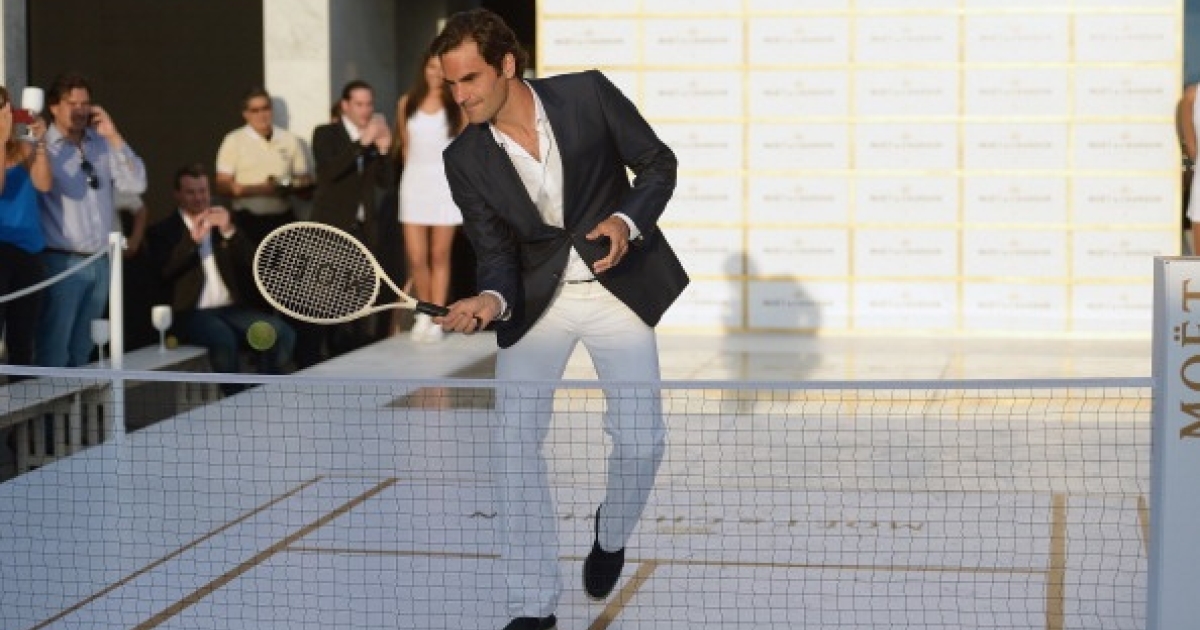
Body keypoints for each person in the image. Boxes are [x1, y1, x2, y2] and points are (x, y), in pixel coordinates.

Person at [430, 9, 689, 630]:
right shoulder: (462, 157)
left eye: (470, 79)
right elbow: (495, 253)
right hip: (535, 301)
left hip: (616, 290)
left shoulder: (586, 95)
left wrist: (626, 221)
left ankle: (611, 531)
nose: (461, 96)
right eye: (451, 84)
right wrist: (489, 301)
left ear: (506, 65)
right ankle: (533, 603)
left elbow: (658, 164)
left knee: (642, 440)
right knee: (512, 444)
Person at [145, 163, 295, 395]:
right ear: (177, 195)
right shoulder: (163, 231)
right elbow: (163, 272)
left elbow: (253, 262)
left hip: (231, 310)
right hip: (191, 313)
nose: (198, 198)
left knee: (279, 332)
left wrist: (229, 231)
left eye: (203, 191)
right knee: (223, 339)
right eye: (191, 192)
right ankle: (236, 401)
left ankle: (266, 392)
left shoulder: (223, 223)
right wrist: (191, 242)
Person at [36, 72, 147, 367]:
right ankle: (47, 401)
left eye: (85, 104)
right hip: (62, 262)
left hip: (100, 261)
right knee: (54, 349)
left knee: (84, 351)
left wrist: (113, 135)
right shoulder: (43, 146)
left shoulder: (101, 143)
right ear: (54, 107)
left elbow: (136, 184)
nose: (80, 110)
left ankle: (78, 401)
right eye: (72, 104)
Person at [308, 79, 395, 361]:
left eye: (369, 104)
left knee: (359, 299)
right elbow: (328, 173)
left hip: (362, 229)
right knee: (326, 300)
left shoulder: (372, 139)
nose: (365, 110)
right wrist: (361, 143)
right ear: (345, 105)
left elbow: (386, 182)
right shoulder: (326, 133)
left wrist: (384, 150)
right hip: (331, 229)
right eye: (359, 104)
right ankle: (318, 358)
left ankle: (353, 357)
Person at [394, 52, 466, 342]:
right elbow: (405, 148)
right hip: (414, 187)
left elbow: (466, 148)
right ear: (424, 68)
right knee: (416, 257)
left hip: (446, 187)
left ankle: (438, 317)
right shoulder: (406, 103)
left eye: (442, 68)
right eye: (432, 67)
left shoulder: (457, 105)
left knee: (439, 254)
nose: (436, 73)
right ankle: (423, 313)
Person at [215, 87, 313, 246]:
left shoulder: (290, 140)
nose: (262, 115)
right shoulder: (234, 140)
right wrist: (262, 189)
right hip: (247, 221)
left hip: (282, 220)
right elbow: (222, 185)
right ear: (245, 114)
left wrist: (288, 186)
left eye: (265, 108)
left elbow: (305, 182)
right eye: (255, 110)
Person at [0, 85, 52, 376]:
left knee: (23, 339)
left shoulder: (22, 141)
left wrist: (40, 143)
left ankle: (22, 399)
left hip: (28, 250)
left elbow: (44, 184)